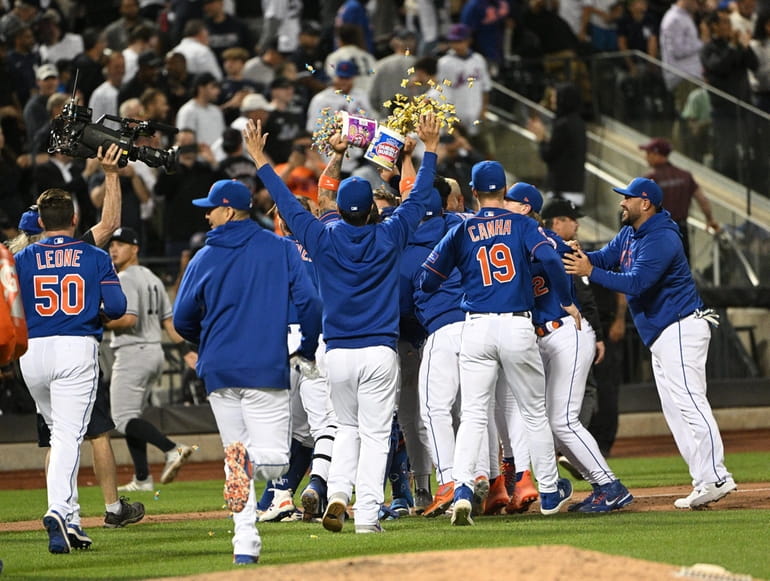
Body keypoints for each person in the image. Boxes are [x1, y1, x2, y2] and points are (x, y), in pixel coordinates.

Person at [243, 112, 440, 533]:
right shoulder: (389, 235)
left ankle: (336, 494)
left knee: (345, 429)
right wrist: (430, 149)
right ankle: (367, 516)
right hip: (379, 351)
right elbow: (420, 199)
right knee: (373, 435)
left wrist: (261, 158)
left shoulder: (321, 235)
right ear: (372, 209)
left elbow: (290, 205)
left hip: (336, 353)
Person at [420, 161, 578, 526]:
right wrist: (566, 298)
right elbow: (552, 258)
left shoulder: (461, 228)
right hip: (516, 324)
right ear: (504, 191)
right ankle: (550, 492)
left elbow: (428, 277)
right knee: (533, 412)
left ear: (474, 191)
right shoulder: (523, 224)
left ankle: (461, 489)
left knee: (473, 413)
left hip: (475, 326)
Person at [563, 177, 736, 509]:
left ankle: (716, 476)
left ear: (645, 203)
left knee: (690, 403)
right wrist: (581, 256)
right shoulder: (631, 232)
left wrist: (589, 270)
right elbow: (605, 258)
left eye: (627, 198)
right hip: (663, 334)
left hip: (682, 327)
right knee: (676, 411)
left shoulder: (662, 236)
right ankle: (704, 479)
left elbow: (638, 282)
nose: (621, 203)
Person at [173, 179, 322, 564]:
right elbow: (310, 303)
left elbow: (183, 319)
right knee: (275, 461)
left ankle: (245, 545)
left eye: (211, 208)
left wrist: (206, 340)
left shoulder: (203, 257)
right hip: (264, 364)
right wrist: (305, 347)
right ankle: (247, 465)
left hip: (219, 368)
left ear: (229, 210)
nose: (206, 214)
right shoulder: (280, 249)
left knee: (233, 453)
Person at [15, 187, 128, 554]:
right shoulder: (93, 255)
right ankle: (59, 511)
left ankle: (73, 520)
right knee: (67, 437)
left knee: (59, 435)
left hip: (32, 354)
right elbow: (115, 306)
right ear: (75, 220)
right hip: (74, 348)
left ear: (42, 222)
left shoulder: (20, 258)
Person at [507, 184, 633, 513]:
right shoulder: (519, 238)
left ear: (524, 208)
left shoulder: (542, 239)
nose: (501, 206)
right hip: (543, 338)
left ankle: (611, 486)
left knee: (562, 420)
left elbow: (568, 258)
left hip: (566, 333)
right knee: (548, 422)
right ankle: (599, 485)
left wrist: (576, 258)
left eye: (508, 201)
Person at [105, 227, 196, 492]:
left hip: (134, 351)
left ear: (135, 249)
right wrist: (185, 351)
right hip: (154, 352)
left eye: (121, 244)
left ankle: (172, 449)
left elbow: (128, 319)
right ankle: (142, 478)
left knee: (122, 420)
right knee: (131, 418)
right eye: (113, 244)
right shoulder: (153, 278)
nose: (114, 248)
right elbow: (169, 323)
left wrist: (98, 319)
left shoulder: (124, 277)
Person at [639, 137, 720, 261]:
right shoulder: (685, 176)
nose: (646, 157)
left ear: (657, 154)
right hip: (680, 231)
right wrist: (710, 219)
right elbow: (702, 200)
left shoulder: (650, 179)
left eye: (648, 153)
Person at [527, 83, 587, 208]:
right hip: (576, 189)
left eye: (555, 96)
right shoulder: (579, 123)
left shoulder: (563, 124)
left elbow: (548, 154)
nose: (552, 99)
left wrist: (541, 137)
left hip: (562, 191)